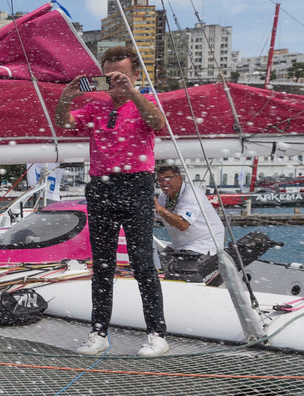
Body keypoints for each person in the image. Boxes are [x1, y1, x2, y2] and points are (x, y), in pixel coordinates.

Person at [54, 45, 170, 358]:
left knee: (142, 262)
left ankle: (157, 334)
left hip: (136, 185)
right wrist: (67, 96)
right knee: (102, 265)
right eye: (109, 77)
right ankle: (99, 333)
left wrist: (132, 93)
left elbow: (157, 122)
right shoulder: (94, 108)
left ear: (134, 75)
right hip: (101, 187)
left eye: (120, 75)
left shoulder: (144, 101)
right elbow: (64, 123)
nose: (114, 82)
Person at [154, 162, 225, 255]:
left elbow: (183, 225)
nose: (164, 183)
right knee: (156, 262)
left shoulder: (192, 194)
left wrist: (159, 209)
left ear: (179, 178)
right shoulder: (163, 197)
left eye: (168, 178)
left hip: (204, 246)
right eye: (160, 180)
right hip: (180, 245)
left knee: (165, 266)